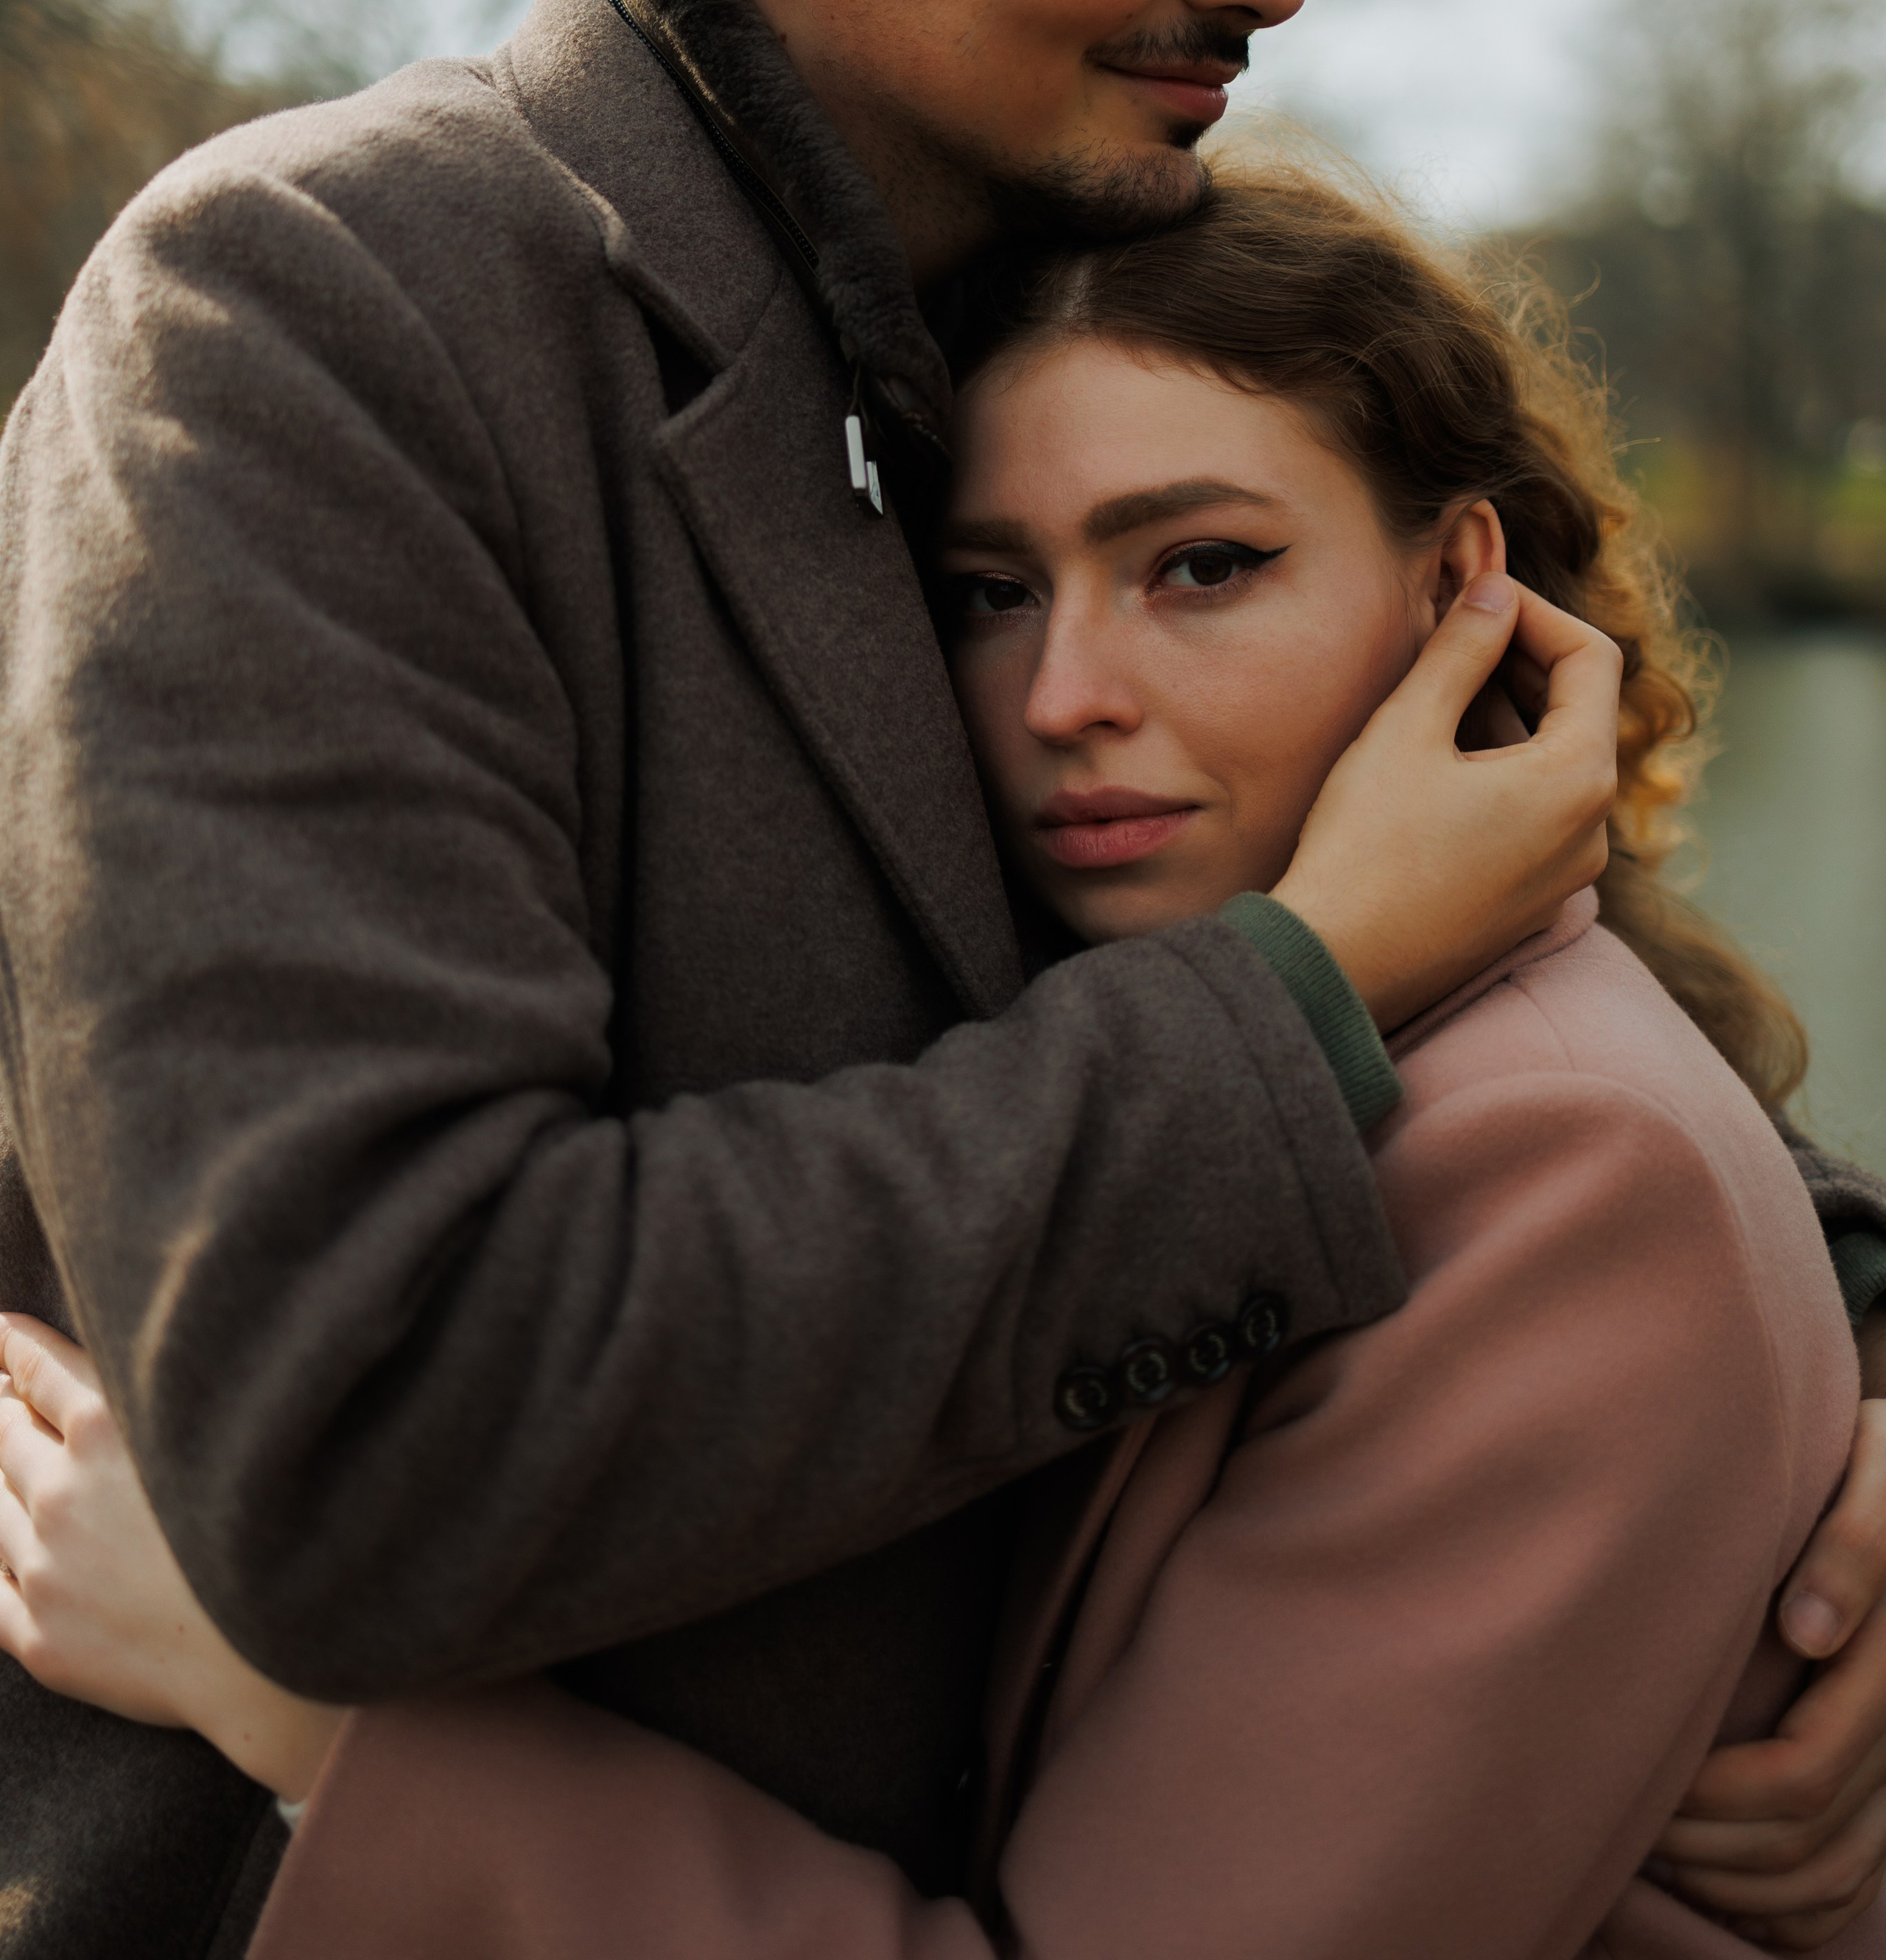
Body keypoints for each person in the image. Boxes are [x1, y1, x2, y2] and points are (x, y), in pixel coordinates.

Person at [0, 0, 1882, 1956]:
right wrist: (1296, 1002)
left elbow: (1536, 1072)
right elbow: (365, 1436)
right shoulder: (315, 319)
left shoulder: (1007, 340)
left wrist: (1821, 1404)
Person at [4, 155, 1885, 1960]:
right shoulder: (1092, 975)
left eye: (1202, 566)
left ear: (1453, 581)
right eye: (989, 592)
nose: (1066, 697)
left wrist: (313, 1716)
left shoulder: (1567, 1176)